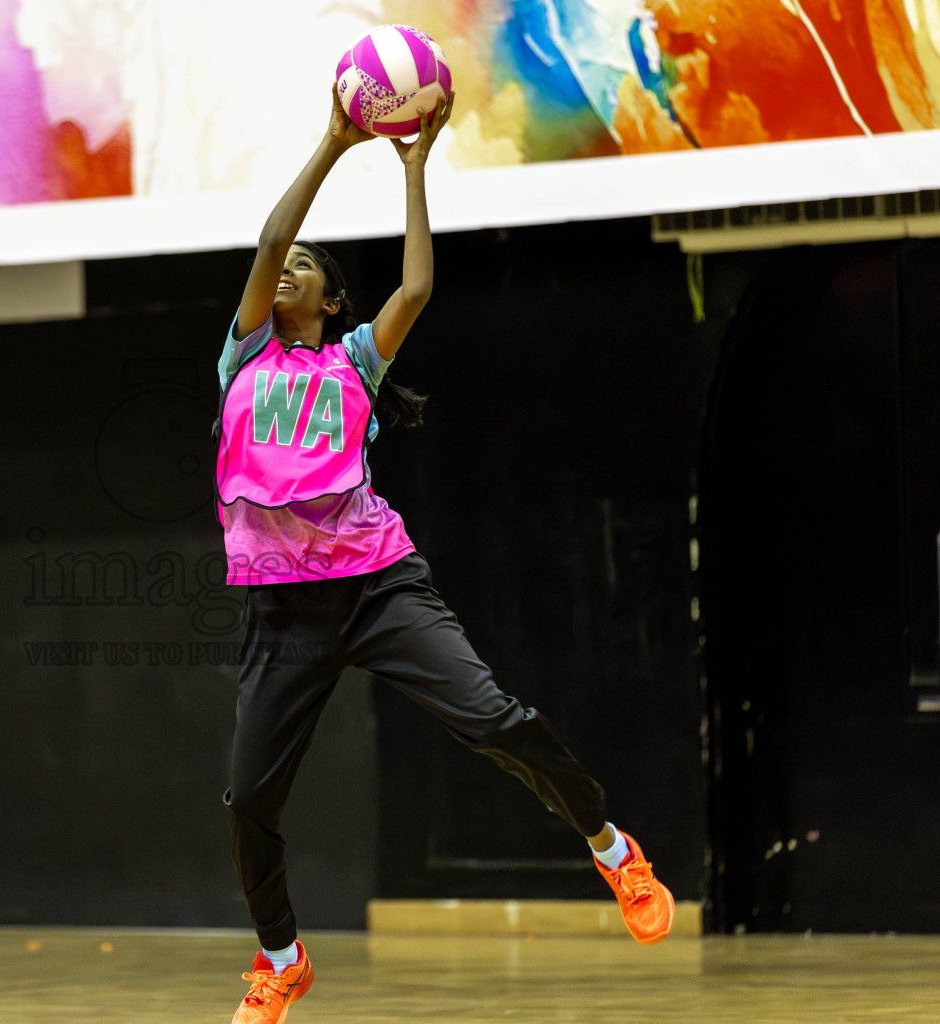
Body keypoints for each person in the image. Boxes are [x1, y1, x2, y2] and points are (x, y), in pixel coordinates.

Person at [213, 89, 674, 1024]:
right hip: (285, 608)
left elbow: (417, 290)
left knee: (498, 720)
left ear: (333, 300)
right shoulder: (246, 357)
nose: (289, 267)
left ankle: (614, 849)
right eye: (286, 266)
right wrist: (336, 142)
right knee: (246, 798)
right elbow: (266, 245)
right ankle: (281, 959)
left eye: (308, 266)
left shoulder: (354, 361)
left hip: (379, 587)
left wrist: (415, 169)